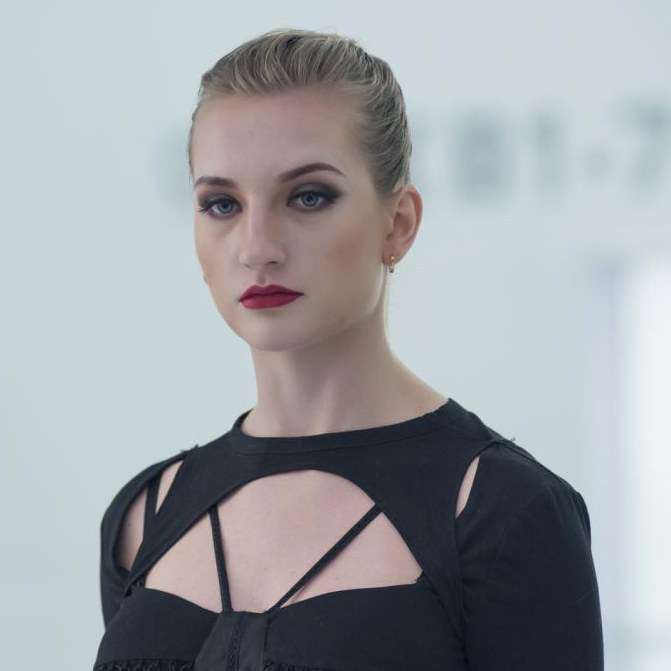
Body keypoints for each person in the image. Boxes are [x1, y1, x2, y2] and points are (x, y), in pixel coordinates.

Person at [93, 28, 604, 671]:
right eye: (221, 204)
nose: (256, 248)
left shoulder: (504, 511)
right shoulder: (144, 514)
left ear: (399, 224)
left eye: (308, 197)